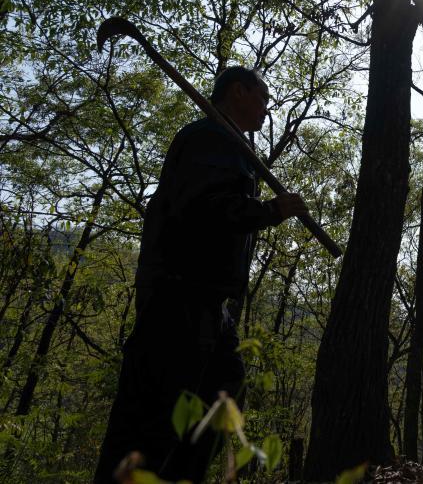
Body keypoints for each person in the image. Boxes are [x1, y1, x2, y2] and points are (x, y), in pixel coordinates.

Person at [95, 66, 308, 483]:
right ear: (238, 91)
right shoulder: (208, 138)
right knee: (161, 416)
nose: (266, 109)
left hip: (210, 304)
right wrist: (268, 211)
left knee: (220, 394)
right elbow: (205, 209)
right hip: (178, 298)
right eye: (262, 98)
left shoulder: (229, 145)